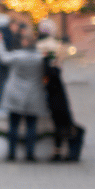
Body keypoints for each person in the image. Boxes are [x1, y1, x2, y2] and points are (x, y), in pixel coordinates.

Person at [0, 21, 48, 162]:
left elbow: (2, 58)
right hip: (34, 94)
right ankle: (30, 154)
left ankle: (11, 154)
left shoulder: (17, 56)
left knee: (13, 125)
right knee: (31, 126)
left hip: (15, 94)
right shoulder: (40, 58)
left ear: (25, 41)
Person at [37, 20, 83, 162]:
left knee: (63, 125)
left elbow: (51, 75)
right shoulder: (59, 61)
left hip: (59, 98)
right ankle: (64, 152)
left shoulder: (52, 66)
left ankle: (64, 152)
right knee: (62, 125)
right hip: (60, 98)